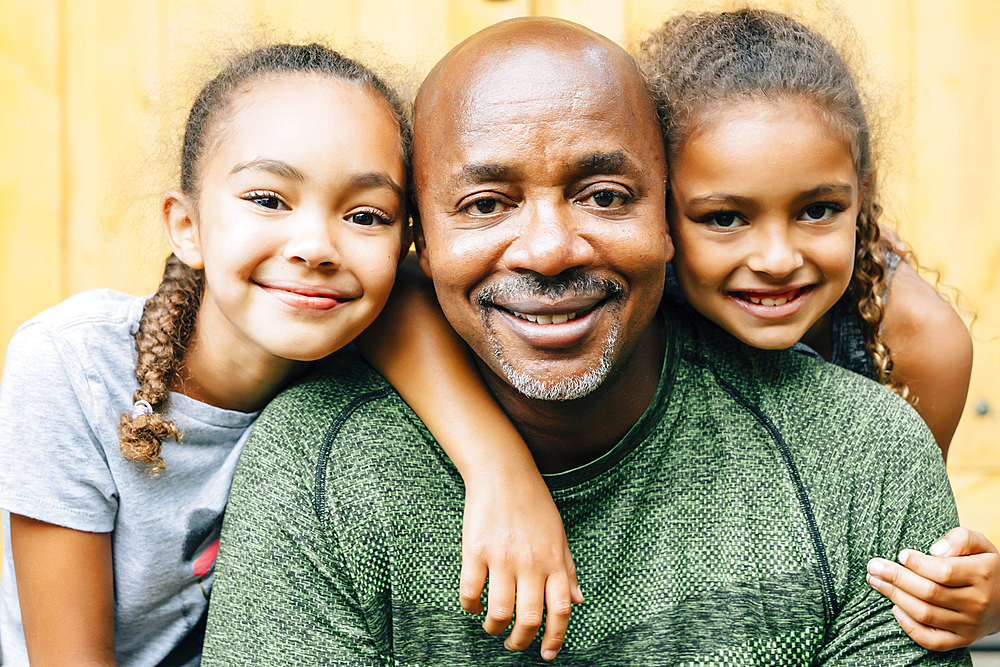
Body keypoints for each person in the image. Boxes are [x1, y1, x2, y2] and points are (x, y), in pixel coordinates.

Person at [202, 17, 971, 665]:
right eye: (485, 203)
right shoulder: (314, 468)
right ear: (419, 243)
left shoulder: (861, 449)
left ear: (667, 219)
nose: (548, 249)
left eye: (604, 195)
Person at [0, 42, 579, 666]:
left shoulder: (367, 349)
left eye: (365, 215)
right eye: (268, 199)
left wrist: (503, 476)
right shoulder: (71, 366)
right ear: (186, 226)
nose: (315, 247)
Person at [635, 8, 996, 650]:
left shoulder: (919, 343)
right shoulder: (631, 299)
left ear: (863, 194)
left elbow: (883, 560)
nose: (777, 259)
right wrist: (501, 471)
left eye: (818, 210)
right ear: (661, 205)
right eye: (724, 218)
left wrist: (968, 598)